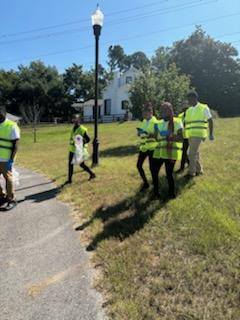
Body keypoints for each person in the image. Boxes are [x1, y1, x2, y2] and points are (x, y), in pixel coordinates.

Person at [152, 102, 183, 199]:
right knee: (154, 172)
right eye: (163, 110)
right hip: (159, 153)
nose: (164, 112)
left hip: (171, 153)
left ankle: (171, 193)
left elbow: (181, 138)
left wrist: (170, 136)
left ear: (171, 110)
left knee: (169, 174)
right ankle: (156, 193)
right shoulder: (158, 123)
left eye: (167, 110)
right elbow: (156, 138)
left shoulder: (177, 122)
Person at [185, 91, 214, 177]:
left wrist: (211, 133)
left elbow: (210, 120)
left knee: (190, 153)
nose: (188, 101)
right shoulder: (189, 110)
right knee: (194, 153)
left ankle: (191, 173)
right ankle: (199, 170)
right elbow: (186, 123)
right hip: (190, 134)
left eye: (189, 99)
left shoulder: (203, 107)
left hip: (199, 134)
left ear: (194, 98)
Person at [0, 106, 20, 210]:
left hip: (6, 158)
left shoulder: (11, 125)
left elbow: (16, 144)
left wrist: (11, 159)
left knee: (8, 179)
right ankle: (2, 197)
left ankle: (11, 199)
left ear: (4, 113)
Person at [67, 114, 95, 184]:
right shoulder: (73, 128)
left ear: (79, 120)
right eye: (73, 119)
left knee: (81, 164)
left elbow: (88, 139)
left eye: (76, 119)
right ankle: (69, 180)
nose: (74, 120)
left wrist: (80, 142)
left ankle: (92, 174)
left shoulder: (82, 129)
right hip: (72, 149)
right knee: (70, 165)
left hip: (78, 150)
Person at [136, 102, 158, 191]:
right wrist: (139, 133)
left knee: (152, 169)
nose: (143, 115)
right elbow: (141, 133)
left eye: (144, 113)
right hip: (144, 148)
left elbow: (156, 136)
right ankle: (146, 183)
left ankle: (156, 187)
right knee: (139, 165)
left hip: (152, 148)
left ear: (150, 113)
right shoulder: (144, 121)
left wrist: (147, 134)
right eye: (142, 113)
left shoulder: (155, 122)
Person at [176, 102, 190, 173]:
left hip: (189, 136)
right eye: (183, 106)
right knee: (184, 151)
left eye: (186, 106)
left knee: (184, 152)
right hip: (182, 136)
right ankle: (189, 163)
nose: (184, 108)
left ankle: (182, 168)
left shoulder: (191, 115)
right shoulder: (180, 115)